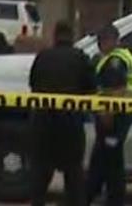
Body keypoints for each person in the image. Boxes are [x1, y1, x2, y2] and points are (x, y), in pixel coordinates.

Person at [28, 22, 95, 206]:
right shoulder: (80, 58)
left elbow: (33, 84)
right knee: (73, 174)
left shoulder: (43, 57)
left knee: (40, 174)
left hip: (43, 122)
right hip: (70, 123)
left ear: (55, 36)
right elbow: (91, 87)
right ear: (71, 36)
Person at [84, 23, 132, 206]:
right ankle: (95, 196)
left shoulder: (114, 62)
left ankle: (104, 198)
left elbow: (116, 91)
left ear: (112, 40)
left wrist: (107, 115)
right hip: (118, 116)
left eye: (102, 41)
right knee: (107, 160)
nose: (100, 45)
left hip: (113, 118)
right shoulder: (118, 57)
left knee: (109, 161)